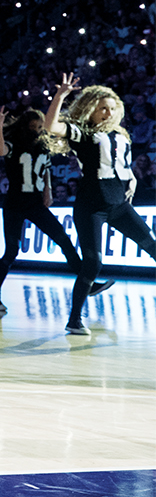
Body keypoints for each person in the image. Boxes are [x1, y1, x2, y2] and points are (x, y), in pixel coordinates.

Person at [43, 75, 153, 335]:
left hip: (120, 204)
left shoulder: (121, 135)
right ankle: (74, 320)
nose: (108, 113)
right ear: (91, 110)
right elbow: (51, 126)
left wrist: (133, 178)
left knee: (153, 246)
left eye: (112, 108)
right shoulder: (84, 134)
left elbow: (122, 165)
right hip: (91, 206)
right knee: (93, 263)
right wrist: (60, 96)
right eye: (102, 108)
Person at [0, 104, 85, 312]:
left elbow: (46, 169)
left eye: (41, 126)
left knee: (63, 238)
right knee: (11, 251)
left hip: (35, 204)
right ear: (26, 126)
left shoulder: (43, 146)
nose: (39, 130)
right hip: (14, 204)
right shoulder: (14, 144)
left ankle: (88, 282)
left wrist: (48, 190)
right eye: (35, 126)